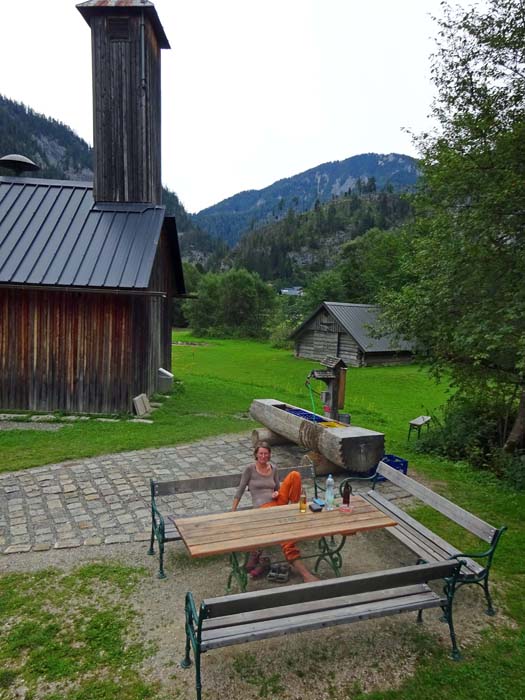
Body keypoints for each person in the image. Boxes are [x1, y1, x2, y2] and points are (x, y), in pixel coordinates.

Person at [231, 441, 318, 583]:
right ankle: (305, 574)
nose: (264, 456)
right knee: (284, 536)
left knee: (295, 475)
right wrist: (233, 512)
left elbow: (278, 488)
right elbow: (239, 491)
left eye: (266, 453)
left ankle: (295, 507)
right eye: (261, 453)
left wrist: (277, 493)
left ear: (269, 454)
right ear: (256, 455)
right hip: (263, 509)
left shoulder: (274, 468)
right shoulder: (249, 469)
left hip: (277, 503)